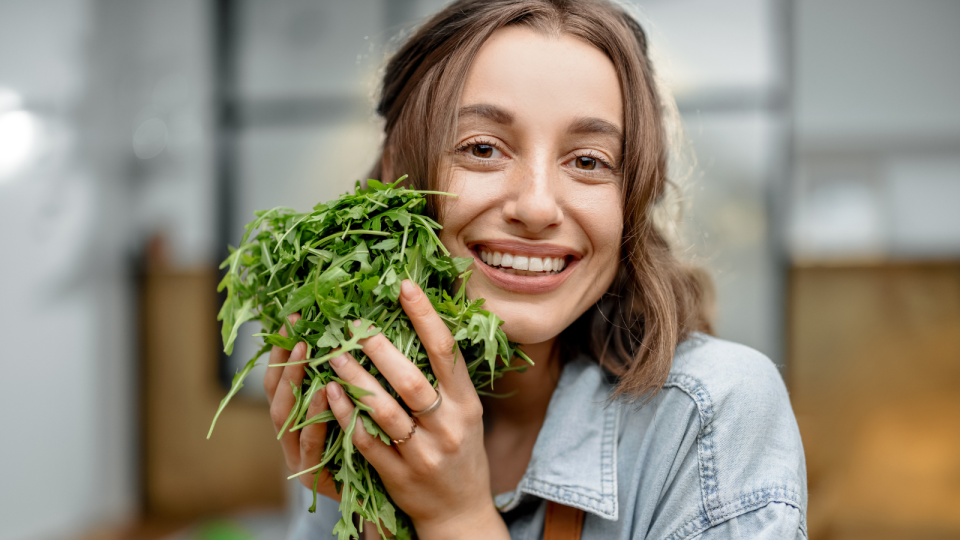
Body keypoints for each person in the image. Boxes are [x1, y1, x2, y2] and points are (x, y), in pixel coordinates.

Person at [265, 1, 807, 538]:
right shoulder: (357, 395)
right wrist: (375, 514)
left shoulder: (714, 414)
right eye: (482, 148)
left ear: (632, 201)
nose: (538, 207)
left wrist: (456, 520)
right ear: (394, 176)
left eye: (589, 161)